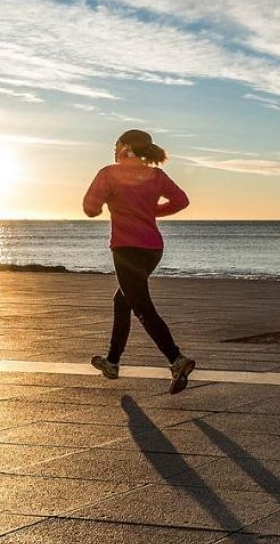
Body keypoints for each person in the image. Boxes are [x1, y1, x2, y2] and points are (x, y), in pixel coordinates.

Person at [82, 128, 197, 393]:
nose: (113, 149)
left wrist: (103, 203)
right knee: (122, 300)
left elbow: (90, 209)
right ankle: (112, 362)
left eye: (116, 144)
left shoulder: (109, 173)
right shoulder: (156, 175)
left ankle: (176, 359)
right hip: (153, 249)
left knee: (142, 306)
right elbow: (181, 201)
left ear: (124, 147)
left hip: (126, 249)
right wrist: (152, 210)